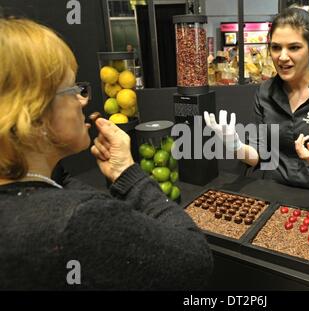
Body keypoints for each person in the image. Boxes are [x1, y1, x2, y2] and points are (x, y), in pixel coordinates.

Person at [0, 17, 213, 290]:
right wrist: (130, 175)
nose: (84, 100)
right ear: (34, 111)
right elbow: (194, 260)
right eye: (73, 89)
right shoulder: (80, 220)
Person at [204, 7, 309, 194]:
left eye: (294, 47)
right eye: (276, 47)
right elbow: (260, 154)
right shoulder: (265, 91)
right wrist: (237, 146)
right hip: (274, 194)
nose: (282, 57)